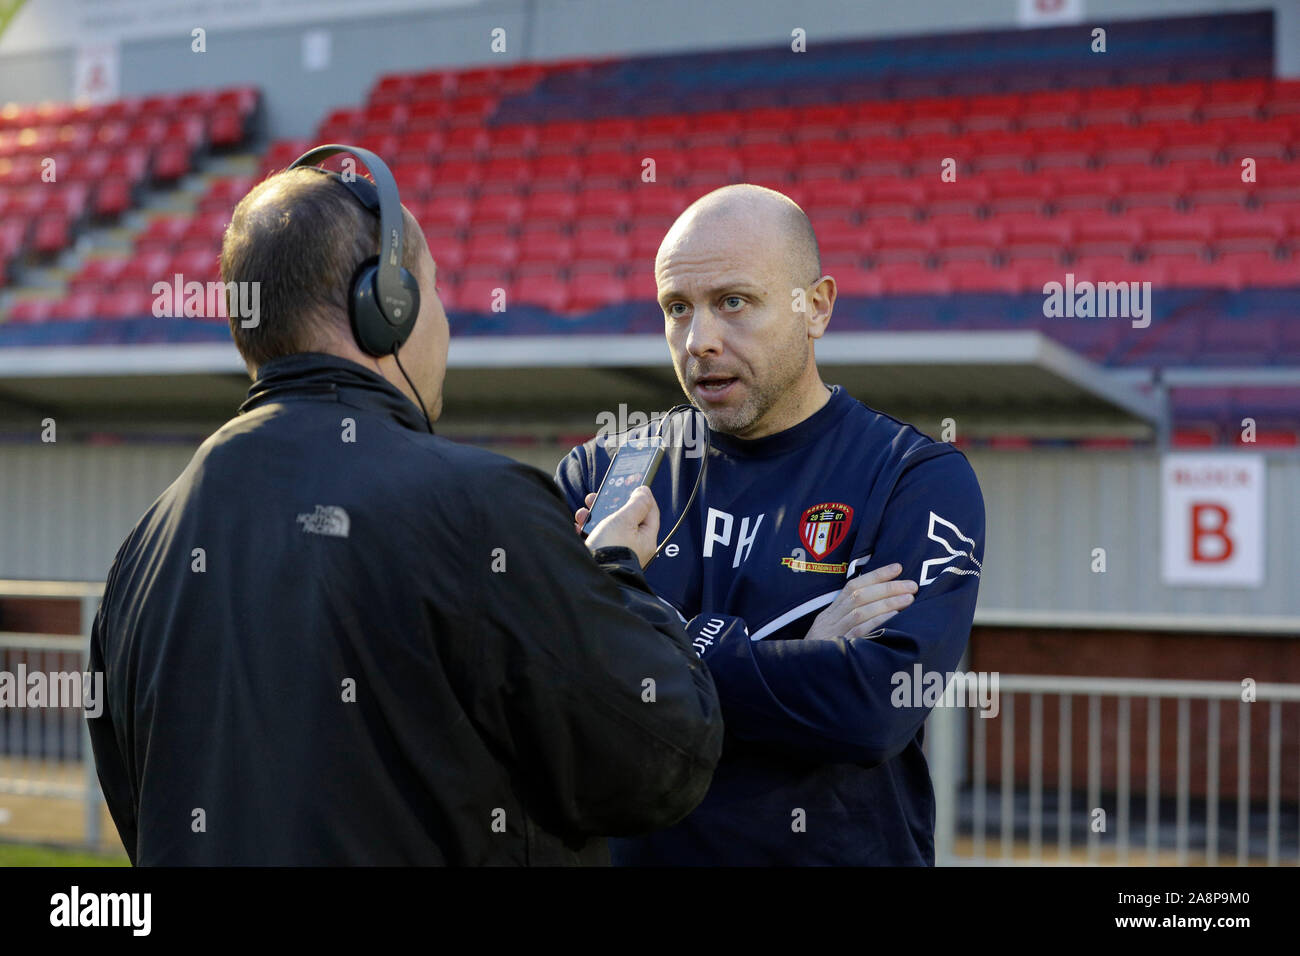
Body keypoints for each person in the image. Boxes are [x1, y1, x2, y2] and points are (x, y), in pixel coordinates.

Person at [86, 152, 723, 866]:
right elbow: (662, 758)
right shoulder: (481, 508)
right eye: (435, 292)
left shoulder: (140, 554)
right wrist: (616, 576)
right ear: (387, 303)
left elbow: (146, 817)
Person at [556, 184, 986, 865]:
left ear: (815, 308)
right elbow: (559, 693)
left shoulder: (914, 478)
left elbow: (873, 708)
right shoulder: (607, 474)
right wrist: (798, 651)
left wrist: (642, 627)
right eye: (677, 309)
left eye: (733, 302)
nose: (699, 341)